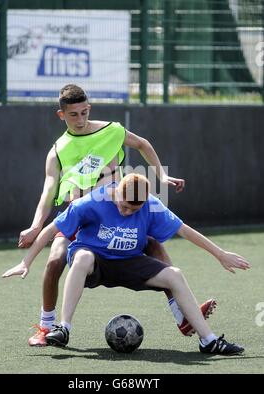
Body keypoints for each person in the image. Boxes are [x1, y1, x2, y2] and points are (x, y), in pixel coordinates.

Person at [16, 84, 209, 347]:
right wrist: (35, 226)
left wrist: (161, 176)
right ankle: (46, 326)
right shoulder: (58, 150)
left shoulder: (112, 131)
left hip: (116, 215)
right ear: (61, 115)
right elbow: (48, 192)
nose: (81, 119)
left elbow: (142, 144)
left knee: (154, 245)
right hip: (81, 216)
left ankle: (182, 316)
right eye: (74, 115)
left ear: (89, 108)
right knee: (55, 260)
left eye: (84, 112)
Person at [3, 174, 250, 355]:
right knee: (82, 257)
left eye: (133, 210)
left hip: (130, 262)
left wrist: (219, 254)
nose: (125, 212)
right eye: (123, 205)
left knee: (174, 274)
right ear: (117, 192)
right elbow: (51, 229)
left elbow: (185, 231)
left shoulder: (152, 205)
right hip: (95, 261)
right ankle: (63, 328)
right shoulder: (92, 201)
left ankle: (209, 341)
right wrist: (26, 262)